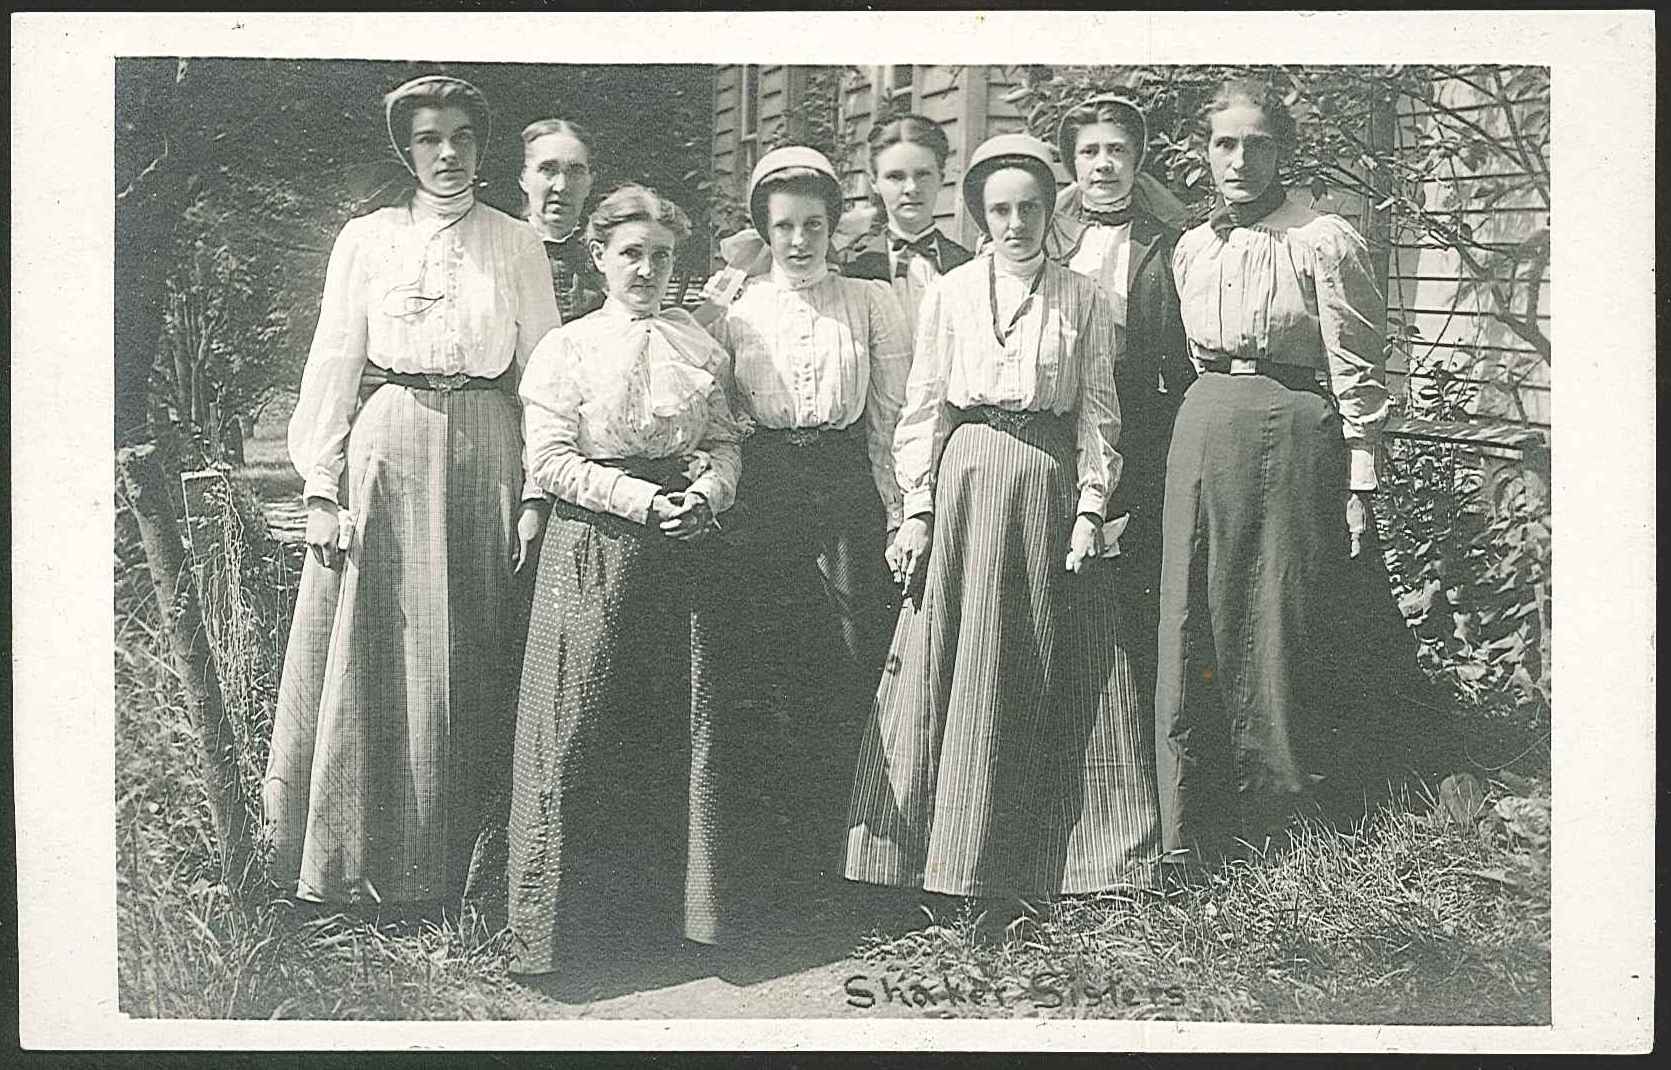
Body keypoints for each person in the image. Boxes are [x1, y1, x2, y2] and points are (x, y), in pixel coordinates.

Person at [265, 75, 560, 908]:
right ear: (406, 148)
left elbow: (544, 373)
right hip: (387, 442)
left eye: (462, 136)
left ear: (482, 146)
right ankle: (355, 869)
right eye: (428, 138)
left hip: (486, 449)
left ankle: (463, 877)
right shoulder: (367, 239)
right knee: (377, 647)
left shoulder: (515, 242)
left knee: (470, 648)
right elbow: (332, 360)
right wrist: (321, 484)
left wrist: (537, 487)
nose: (446, 153)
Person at [844, 134, 1161, 901]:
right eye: (999, 209)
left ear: (1050, 211)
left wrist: (1090, 508)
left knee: (1052, 656)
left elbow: (1097, 412)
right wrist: (914, 510)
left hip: (1046, 489)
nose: (1014, 222)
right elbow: (921, 405)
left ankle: (1057, 862)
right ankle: (942, 861)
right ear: (980, 214)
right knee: (954, 657)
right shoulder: (951, 292)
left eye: (1029, 207)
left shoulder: (1083, 295)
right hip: (966, 486)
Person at [1154, 77, 1393, 877]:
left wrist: (1362, 478)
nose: (1240, 159)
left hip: (1294, 429)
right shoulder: (1194, 246)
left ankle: (1287, 820)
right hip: (1205, 428)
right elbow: (1194, 357)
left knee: (1283, 612)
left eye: (1257, 143)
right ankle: (1202, 821)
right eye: (1225, 143)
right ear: (1203, 151)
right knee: (1200, 615)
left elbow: (1356, 365)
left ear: (1281, 150)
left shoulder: (1322, 238)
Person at [507, 184, 742, 975]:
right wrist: (641, 499)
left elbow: (724, 440)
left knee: (673, 729)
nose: (645, 269)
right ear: (598, 257)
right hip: (593, 550)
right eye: (629, 254)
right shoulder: (566, 349)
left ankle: (660, 928)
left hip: (683, 557)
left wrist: (706, 495)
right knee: (577, 725)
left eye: (660, 256)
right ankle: (570, 934)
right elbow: (547, 461)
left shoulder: (700, 347)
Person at [706, 146, 913, 891]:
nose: (800, 241)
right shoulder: (735, 311)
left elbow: (891, 417)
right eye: (785, 226)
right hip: (766, 494)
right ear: (764, 228)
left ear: (833, 228)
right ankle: (774, 869)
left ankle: (856, 866)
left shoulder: (870, 302)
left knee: (854, 662)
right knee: (771, 670)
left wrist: (900, 514)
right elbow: (721, 421)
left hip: (844, 490)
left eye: (815, 225)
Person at [1045, 92, 1196, 754]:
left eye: (1116, 151)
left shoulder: (1168, 242)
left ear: (1137, 160)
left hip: (1140, 419)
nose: (1102, 165)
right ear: (1070, 162)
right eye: (1089, 152)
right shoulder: (1044, 237)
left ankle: (1131, 741)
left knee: (1131, 574)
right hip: (1058, 418)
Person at [842, 114, 974, 333]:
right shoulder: (852, 266)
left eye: (923, 174)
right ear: (874, 183)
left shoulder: (966, 266)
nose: (911, 188)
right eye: (895, 177)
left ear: (941, 178)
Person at [520, 117, 606, 321]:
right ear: (524, 178)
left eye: (575, 172)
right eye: (548, 169)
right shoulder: (500, 250)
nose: (561, 186)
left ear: (589, 182)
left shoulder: (608, 254)